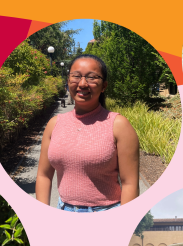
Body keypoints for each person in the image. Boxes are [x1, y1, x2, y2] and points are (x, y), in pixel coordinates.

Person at [35, 54, 140, 211]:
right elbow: (43, 176)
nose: (82, 83)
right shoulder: (54, 124)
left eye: (92, 78)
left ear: (104, 86)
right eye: (76, 76)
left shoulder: (118, 125)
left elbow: (130, 184)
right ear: (68, 80)